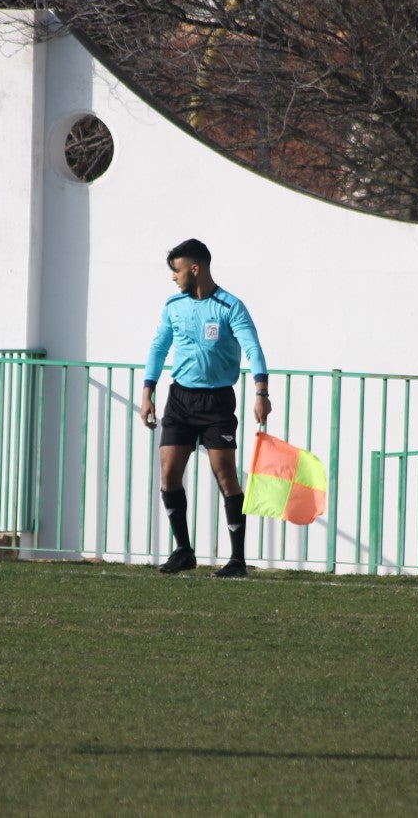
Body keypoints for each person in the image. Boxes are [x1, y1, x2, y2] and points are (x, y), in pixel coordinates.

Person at [140, 238, 271, 579]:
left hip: (217, 401)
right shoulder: (173, 306)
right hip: (181, 399)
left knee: (225, 474)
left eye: (177, 270)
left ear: (194, 269)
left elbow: (253, 348)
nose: (174, 277)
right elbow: (158, 348)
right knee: (168, 473)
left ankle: (237, 560)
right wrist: (147, 392)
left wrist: (261, 391)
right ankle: (183, 551)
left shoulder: (230, 307)